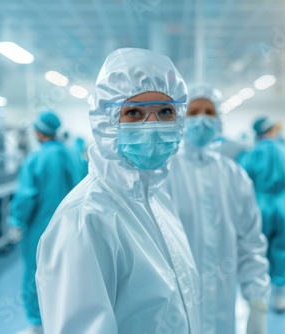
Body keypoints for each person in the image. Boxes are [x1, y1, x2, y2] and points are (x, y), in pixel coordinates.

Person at [36, 48, 201, 333]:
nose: (153, 126)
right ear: (105, 122)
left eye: (165, 111)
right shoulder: (85, 220)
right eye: (134, 113)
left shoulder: (158, 199)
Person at [163, 85, 270, 334]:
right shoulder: (164, 173)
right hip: (172, 306)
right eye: (194, 111)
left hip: (222, 303)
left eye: (209, 112)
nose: (202, 118)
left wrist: (257, 302)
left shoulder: (234, 176)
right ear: (181, 118)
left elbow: (251, 243)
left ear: (219, 120)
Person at [9, 111, 80, 334]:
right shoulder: (73, 154)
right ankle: (66, 320)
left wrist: (16, 222)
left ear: (39, 132)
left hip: (40, 228)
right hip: (72, 227)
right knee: (68, 272)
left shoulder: (37, 159)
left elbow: (26, 195)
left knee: (36, 273)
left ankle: (39, 325)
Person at [238, 116, 285, 313]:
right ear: (273, 130)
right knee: (283, 248)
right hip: (283, 204)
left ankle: (258, 296)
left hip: (258, 204)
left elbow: (240, 187)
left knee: (257, 251)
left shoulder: (250, 154)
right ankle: (280, 297)